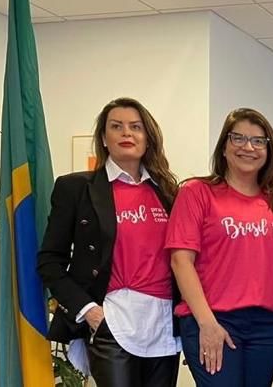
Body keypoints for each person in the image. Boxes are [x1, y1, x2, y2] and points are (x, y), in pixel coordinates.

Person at [38, 97, 181, 387]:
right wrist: (89, 311)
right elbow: (50, 261)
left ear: (148, 138)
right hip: (111, 319)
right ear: (104, 138)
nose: (127, 133)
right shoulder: (75, 188)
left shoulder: (168, 192)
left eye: (136, 127)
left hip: (163, 322)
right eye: (116, 126)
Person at [166, 108, 273, 387]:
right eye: (238, 138)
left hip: (268, 325)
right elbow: (180, 261)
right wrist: (207, 323)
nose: (248, 147)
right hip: (214, 318)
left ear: (269, 151)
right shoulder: (196, 192)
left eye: (258, 141)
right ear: (224, 146)